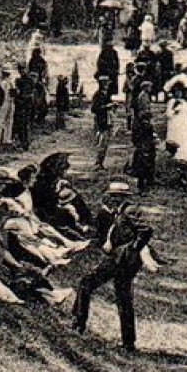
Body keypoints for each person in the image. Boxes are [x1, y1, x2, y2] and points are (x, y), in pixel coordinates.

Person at [71, 181, 160, 352]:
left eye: (113, 196)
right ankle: (128, 342)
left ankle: (78, 324)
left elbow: (146, 230)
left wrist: (132, 248)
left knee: (86, 283)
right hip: (122, 260)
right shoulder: (119, 212)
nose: (110, 199)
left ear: (119, 197)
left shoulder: (129, 211)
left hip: (122, 260)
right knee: (123, 297)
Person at [89, 77, 115, 169]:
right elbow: (94, 109)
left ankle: (100, 163)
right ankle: (98, 163)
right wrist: (106, 106)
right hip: (101, 121)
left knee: (105, 143)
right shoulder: (98, 95)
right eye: (106, 83)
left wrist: (112, 106)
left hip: (106, 120)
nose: (107, 85)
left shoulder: (106, 94)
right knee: (101, 143)